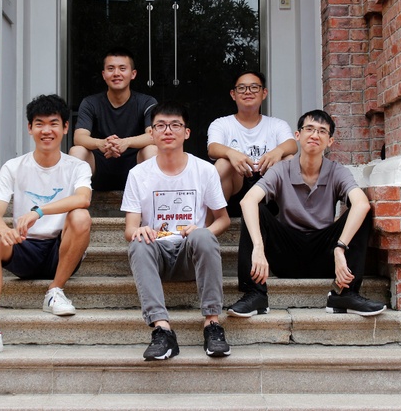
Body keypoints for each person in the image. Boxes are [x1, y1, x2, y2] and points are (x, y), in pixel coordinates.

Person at [0, 94, 92, 357]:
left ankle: (55, 290)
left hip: (60, 251)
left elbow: (83, 199)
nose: (47, 130)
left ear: (65, 127)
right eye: (39, 124)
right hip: (25, 247)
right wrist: (5, 231)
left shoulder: (77, 166)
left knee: (81, 216)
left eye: (54, 123)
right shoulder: (13, 167)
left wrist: (38, 212)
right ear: (30, 128)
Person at [229, 109, 386, 318]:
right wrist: (258, 247)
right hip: (286, 254)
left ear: (330, 141)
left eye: (322, 131)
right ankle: (255, 293)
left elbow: (361, 204)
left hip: (325, 253)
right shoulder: (281, 169)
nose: (315, 135)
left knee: (362, 212)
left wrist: (340, 248)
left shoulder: (337, 171)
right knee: (256, 209)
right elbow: (247, 200)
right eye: (309, 129)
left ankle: (345, 294)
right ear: (298, 135)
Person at [121, 100, 232, 361]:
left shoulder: (204, 170)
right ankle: (162, 330)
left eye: (175, 125)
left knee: (203, 234)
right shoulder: (138, 174)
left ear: (187, 132)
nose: (168, 130)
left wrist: (201, 230)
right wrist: (140, 231)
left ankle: (212, 324)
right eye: (161, 125)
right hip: (157, 255)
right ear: (151, 133)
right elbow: (129, 229)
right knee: (138, 242)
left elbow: (223, 220)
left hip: (189, 255)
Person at [70, 47, 158, 190]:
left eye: (122, 68)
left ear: (133, 74)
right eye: (111, 69)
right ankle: (77, 200)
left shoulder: (147, 102)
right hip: (100, 162)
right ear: (104, 74)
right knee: (77, 151)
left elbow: (153, 135)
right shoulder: (90, 103)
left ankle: (153, 201)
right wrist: (101, 143)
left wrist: (126, 142)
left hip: (134, 164)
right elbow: (79, 137)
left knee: (151, 150)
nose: (116, 73)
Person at [207, 70, 297, 205]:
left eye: (254, 87)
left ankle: (294, 216)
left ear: (264, 93)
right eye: (242, 88)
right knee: (223, 163)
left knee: (289, 160)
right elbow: (213, 148)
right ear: (233, 94)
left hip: (269, 187)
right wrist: (231, 153)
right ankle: (213, 218)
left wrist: (277, 152)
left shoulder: (277, 124)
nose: (248, 92)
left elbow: (292, 145)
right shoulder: (221, 123)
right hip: (236, 188)